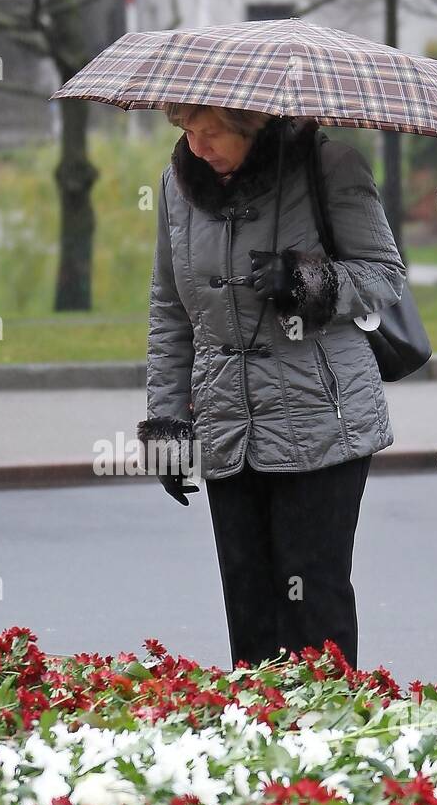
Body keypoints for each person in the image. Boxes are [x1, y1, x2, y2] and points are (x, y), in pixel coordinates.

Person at [136, 104, 406, 671]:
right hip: (226, 420)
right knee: (249, 602)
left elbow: (384, 274)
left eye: (210, 133)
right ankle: (260, 740)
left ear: (251, 124)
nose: (197, 147)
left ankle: (330, 738)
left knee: (313, 599)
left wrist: (309, 279)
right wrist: (166, 425)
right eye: (187, 133)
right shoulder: (177, 185)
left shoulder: (328, 166)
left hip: (321, 416)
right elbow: (169, 308)